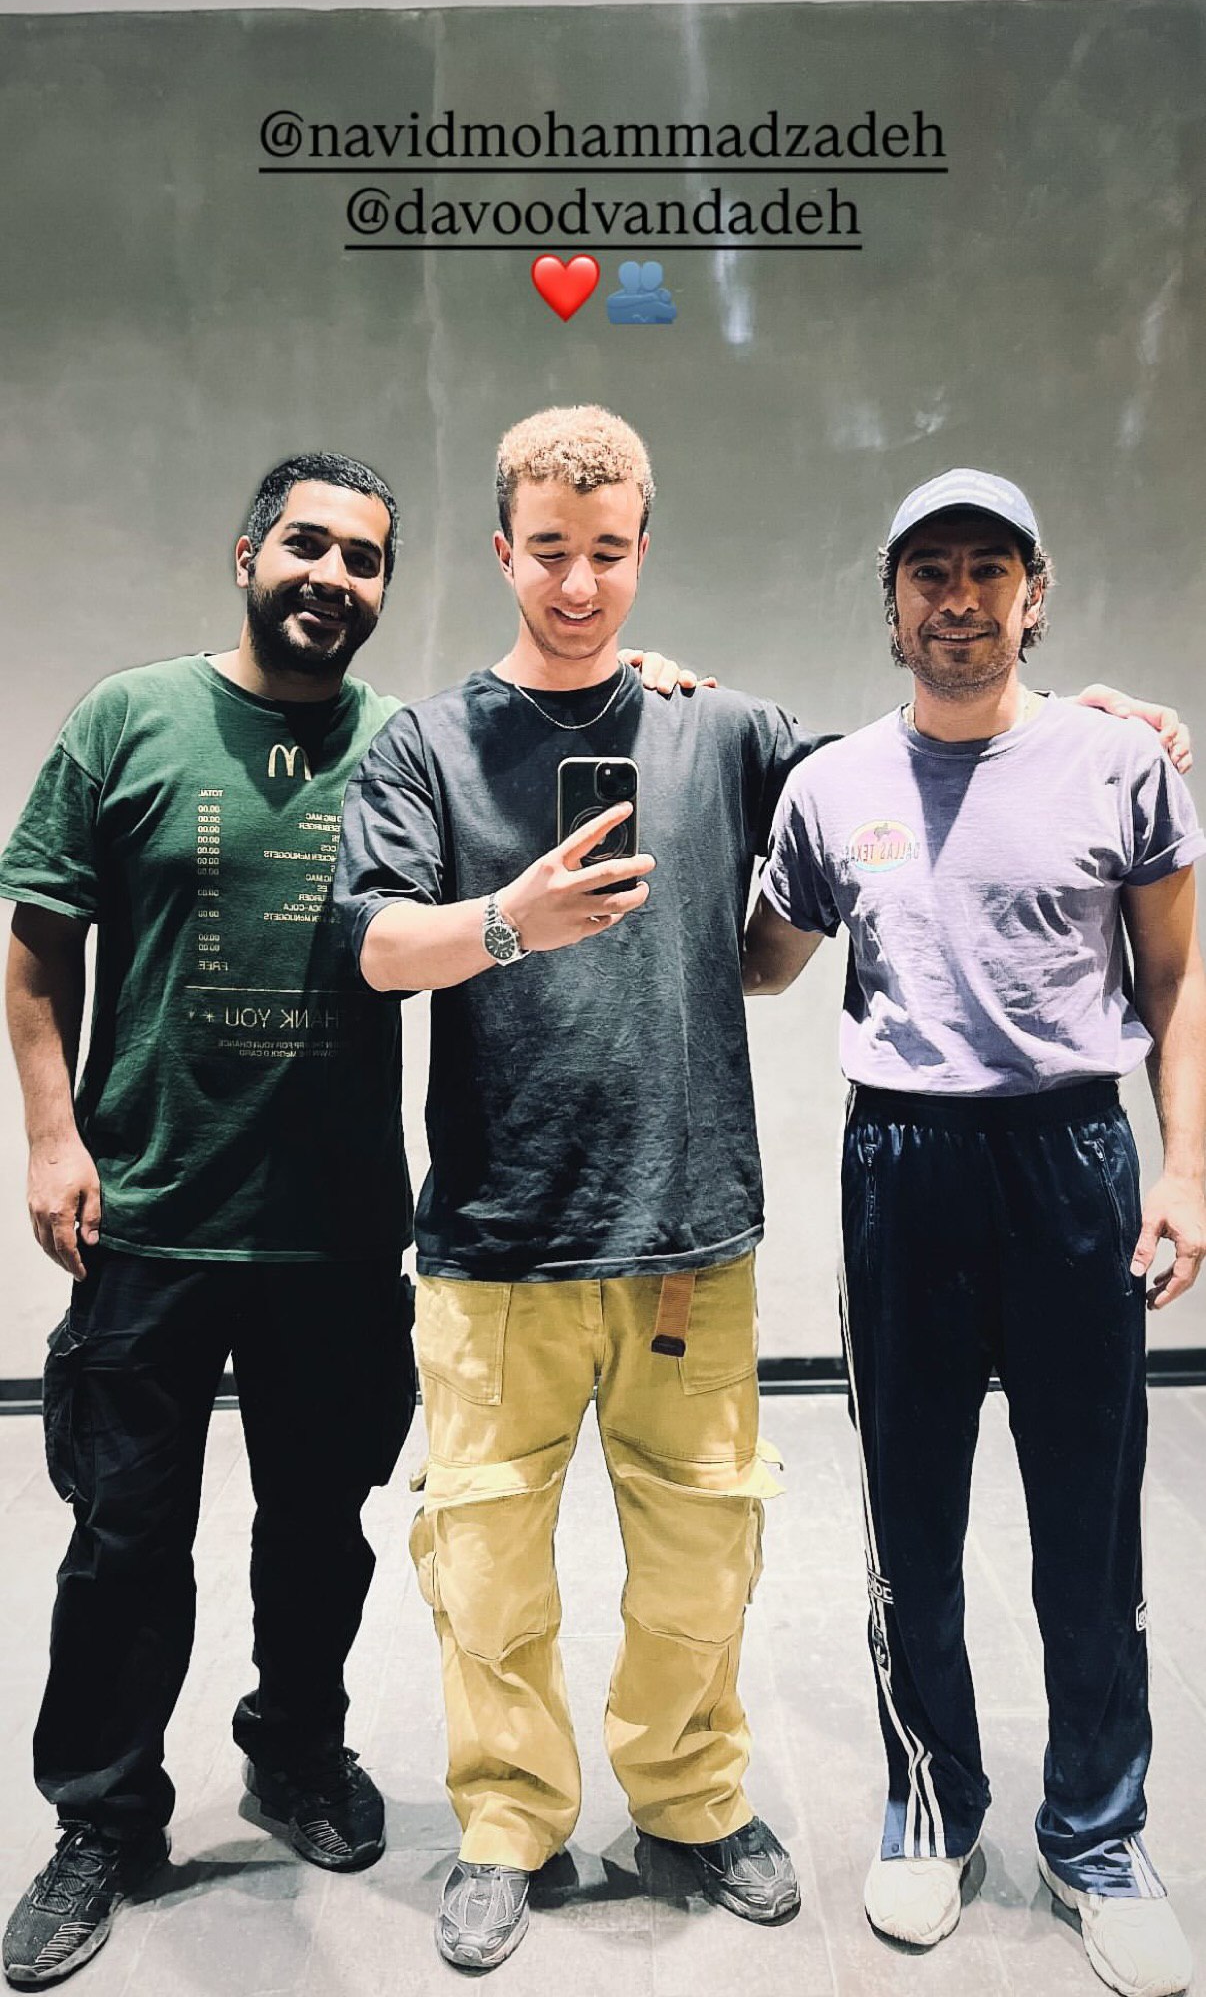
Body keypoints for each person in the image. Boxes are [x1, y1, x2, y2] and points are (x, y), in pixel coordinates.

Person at [334, 404, 822, 1973]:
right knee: (485, 1571)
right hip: (496, 1240)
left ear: (643, 549)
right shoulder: (423, 746)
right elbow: (373, 946)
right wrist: (509, 921)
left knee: (699, 1560)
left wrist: (1078, 715)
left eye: (607, 553)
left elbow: (896, 784)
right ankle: (505, 1823)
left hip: (688, 1234)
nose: (577, 585)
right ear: (501, 549)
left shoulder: (719, 728)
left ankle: (688, 1800)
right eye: (548, 550)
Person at [743, 468, 1206, 1997]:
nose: (956, 600)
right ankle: (930, 1805)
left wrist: (1183, 1169)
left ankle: (1097, 1837)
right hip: (905, 1165)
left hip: (1070, 1159)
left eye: (985, 570)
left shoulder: (1117, 763)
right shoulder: (832, 786)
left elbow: (1172, 981)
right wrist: (678, 785)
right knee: (912, 1525)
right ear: (889, 604)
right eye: (927, 573)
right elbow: (763, 962)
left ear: (1032, 592)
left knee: (1089, 1527)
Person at [0, 453, 419, 1990]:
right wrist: (53, 1139)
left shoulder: (408, 745)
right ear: (247, 553)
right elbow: (37, 946)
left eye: (364, 558)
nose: (332, 576)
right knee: (124, 1544)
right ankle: (103, 1819)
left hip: (336, 1231)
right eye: (307, 544)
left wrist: (645, 669)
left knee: (318, 1532)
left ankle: (295, 1751)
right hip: (153, 1218)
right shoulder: (130, 718)